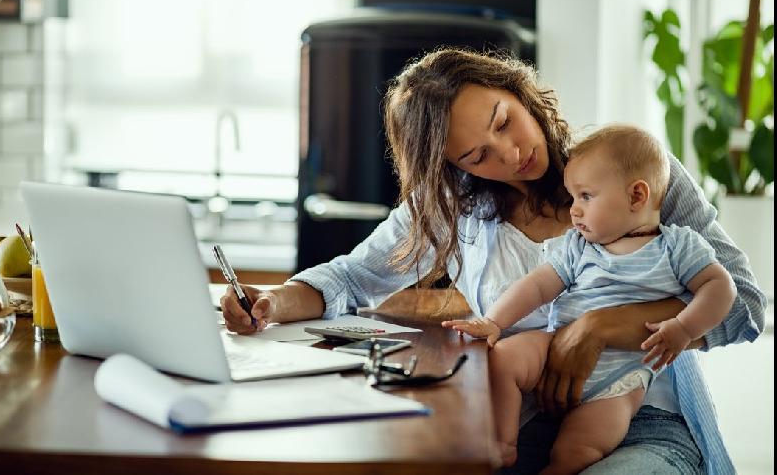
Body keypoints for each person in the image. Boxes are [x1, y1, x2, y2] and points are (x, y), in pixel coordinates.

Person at [221, 48, 765, 474]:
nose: (510, 154)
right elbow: (350, 277)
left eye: (504, 122)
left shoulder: (630, 170)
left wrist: (597, 328)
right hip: (518, 425)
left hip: (641, 419)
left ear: (518, 92)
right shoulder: (452, 205)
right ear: (454, 167)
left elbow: (744, 306)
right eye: (477, 155)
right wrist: (271, 301)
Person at [441, 125, 736, 473]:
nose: (574, 211)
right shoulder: (579, 246)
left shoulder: (677, 247)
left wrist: (685, 327)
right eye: (572, 197)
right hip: (557, 346)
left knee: (577, 450)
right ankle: (502, 445)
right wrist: (494, 322)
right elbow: (537, 286)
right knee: (503, 358)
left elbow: (721, 287)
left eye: (585, 197)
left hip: (620, 380)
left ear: (636, 196)